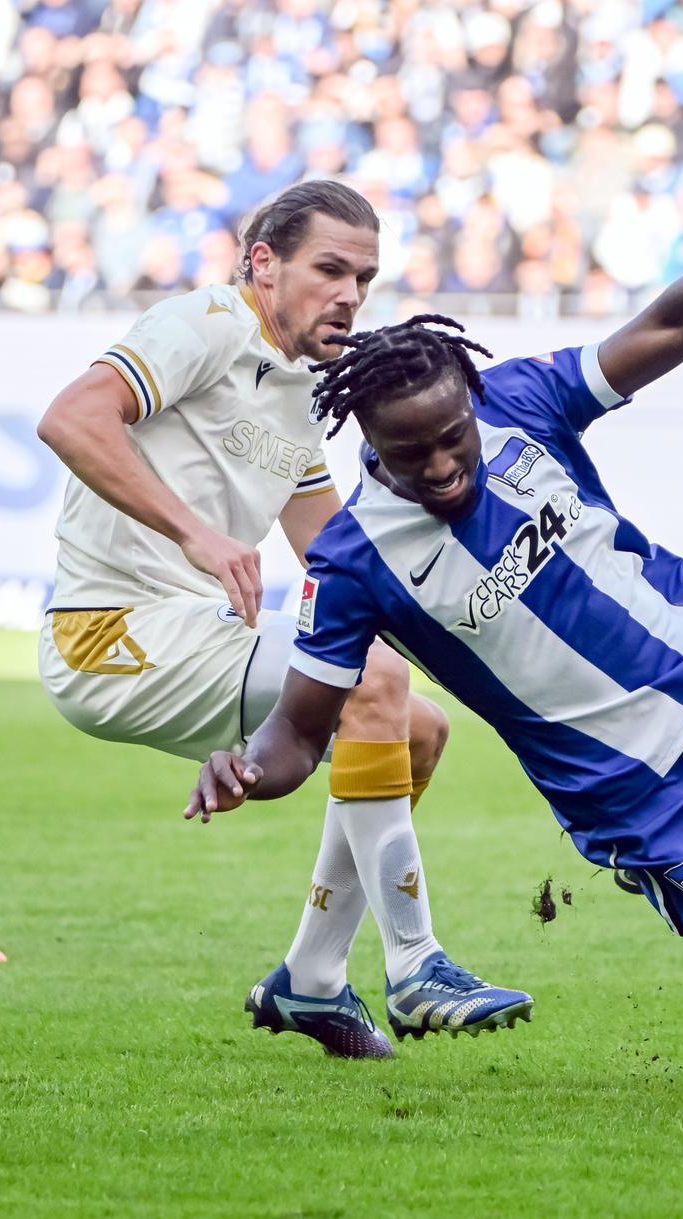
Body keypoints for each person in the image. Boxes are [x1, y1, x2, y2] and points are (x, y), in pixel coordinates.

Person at [185, 149, 683, 1029]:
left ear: (470, 403)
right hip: (634, 793)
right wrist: (247, 769)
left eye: (454, 439)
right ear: (365, 436)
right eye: (414, 457)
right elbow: (298, 732)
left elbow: (667, 330)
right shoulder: (353, 558)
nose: (445, 467)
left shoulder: (518, 400)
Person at [37, 179, 532, 1059]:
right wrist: (197, 535)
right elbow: (73, 418)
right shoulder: (206, 324)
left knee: (414, 728)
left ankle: (309, 980)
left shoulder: (306, 388)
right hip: (108, 633)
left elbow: (335, 554)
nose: (348, 294)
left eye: (365, 278)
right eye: (329, 269)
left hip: (188, 630)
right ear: (264, 264)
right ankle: (416, 962)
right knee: (370, 681)